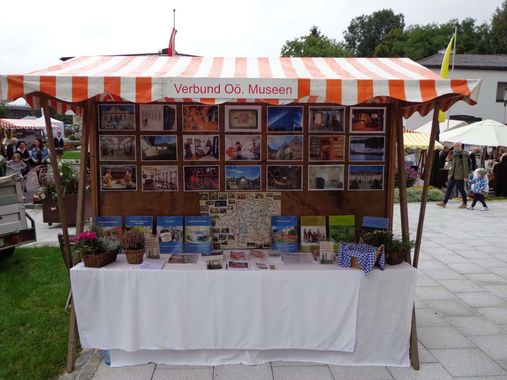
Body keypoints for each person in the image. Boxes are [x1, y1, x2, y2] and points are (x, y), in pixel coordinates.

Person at [437, 142, 469, 208]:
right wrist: (450, 173)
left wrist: (465, 176)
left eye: (455, 147)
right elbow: (453, 165)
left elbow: (465, 166)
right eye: (453, 147)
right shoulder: (455, 153)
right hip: (453, 175)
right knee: (449, 188)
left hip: (460, 175)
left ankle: (464, 203)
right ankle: (444, 202)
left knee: (461, 189)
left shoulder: (463, 154)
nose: (454, 148)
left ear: (458, 146)